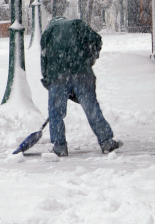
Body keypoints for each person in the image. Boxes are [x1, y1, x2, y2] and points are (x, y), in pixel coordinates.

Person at [41, 17, 122, 156]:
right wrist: (90, 58)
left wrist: (49, 81)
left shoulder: (47, 33)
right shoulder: (77, 24)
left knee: (55, 112)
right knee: (91, 108)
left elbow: (44, 60)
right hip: (81, 73)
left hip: (58, 75)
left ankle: (59, 146)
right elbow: (96, 40)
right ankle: (106, 142)